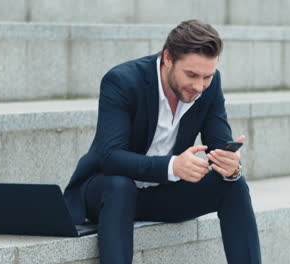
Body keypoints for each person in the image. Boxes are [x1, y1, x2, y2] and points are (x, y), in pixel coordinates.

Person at [63, 20, 261, 264]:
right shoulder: (123, 81)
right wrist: (172, 166)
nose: (199, 86)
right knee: (120, 185)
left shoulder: (209, 86)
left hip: (162, 196)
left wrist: (231, 166)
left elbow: (219, 145)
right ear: (168, 58)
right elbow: (111, 157)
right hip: (107, 194)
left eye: (207, 76)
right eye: (191, 75)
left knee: (233, 183)